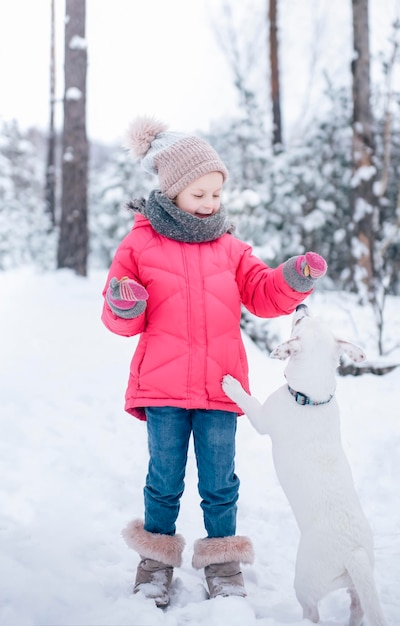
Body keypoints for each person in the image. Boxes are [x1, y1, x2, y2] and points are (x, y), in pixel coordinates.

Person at [101, 116, 327, 607]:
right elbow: (119, 315)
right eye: (199, 194)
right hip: (162, 388)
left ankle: (222, 562)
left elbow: (265, 294)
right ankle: (156, 562)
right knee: (164, 479)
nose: (209, 204)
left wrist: (294, 277)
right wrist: (126, 301)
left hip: (220, 387)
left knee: (220, 481)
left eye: (216, 194)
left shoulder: (230, 248)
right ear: (173, 190)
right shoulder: (140, 243)